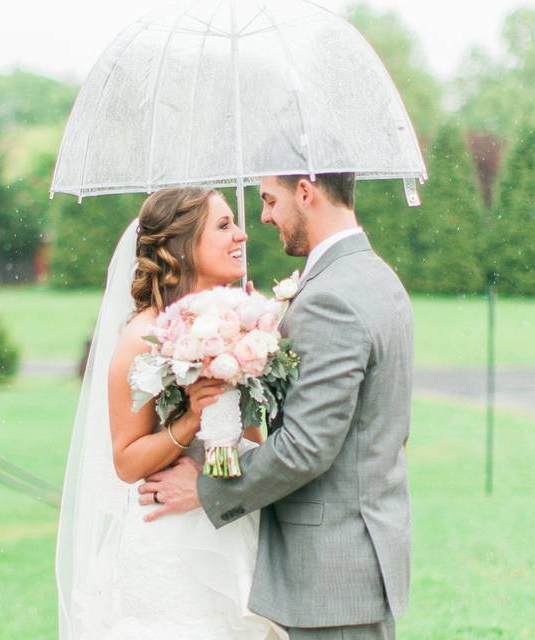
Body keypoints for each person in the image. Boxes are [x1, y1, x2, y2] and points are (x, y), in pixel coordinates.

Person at [140, 173, 414, 640]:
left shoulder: (332, 296)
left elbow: (306, 446)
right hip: (354, 558)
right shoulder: (373, 276)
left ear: (305, 192)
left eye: (270, 200)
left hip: (330, 575)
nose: (263, 216)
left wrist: (206, 489)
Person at [56, 186, 286, 639]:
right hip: (171, 541)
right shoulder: (142, 337)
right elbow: (125, 461)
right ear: (182, 246)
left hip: (233, 520)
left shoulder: (246, 322)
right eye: (223, 226)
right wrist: (188, 421)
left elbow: (255, 439)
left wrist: (256, 340)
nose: (242, 235)